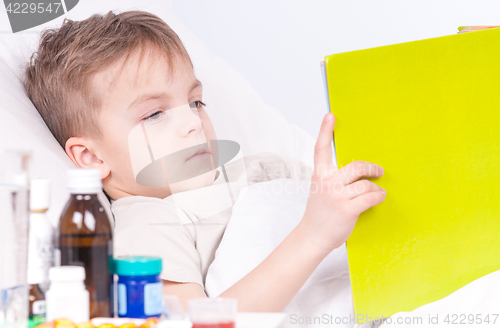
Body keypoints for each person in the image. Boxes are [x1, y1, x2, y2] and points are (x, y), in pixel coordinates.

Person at [22, 10, 386, 312]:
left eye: (195, 102)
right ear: (91, 157)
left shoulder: (265, 168)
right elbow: (196, 323)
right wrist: (313, 235)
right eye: (154, 115)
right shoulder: (148, 223)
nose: (192, 122)